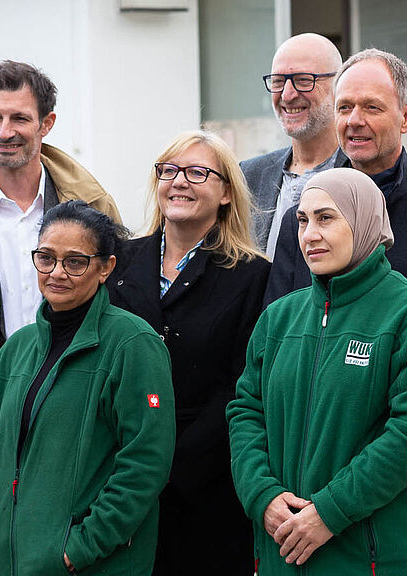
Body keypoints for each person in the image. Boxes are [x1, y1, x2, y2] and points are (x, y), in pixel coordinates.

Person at [265, 49, 407, 574]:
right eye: (344, 107)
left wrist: (356, 450)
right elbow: (272, 344)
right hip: (299, 472)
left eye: (371, 107)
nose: (354, 121)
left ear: (406, 117)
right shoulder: (303, 215)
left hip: (398, 474)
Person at [228, 167, 407, 575]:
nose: (309, 234)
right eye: (302, 220)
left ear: (364, 219)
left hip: (374, 556)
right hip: (283, 551)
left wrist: (330, 512)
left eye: (326, 218)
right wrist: (261, 495)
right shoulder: (278, 319)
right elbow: (246, 412)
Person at [0, 201, 175, 575]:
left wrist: (80, 548)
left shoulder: (132, 343)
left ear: (105, 267)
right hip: (1, 563)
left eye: (75, 262)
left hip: (85, 564)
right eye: (45, 258)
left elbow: (145, 462)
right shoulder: (18, 348)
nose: (57, 273)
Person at [107, 130, 269, 576]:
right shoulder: (118, 262)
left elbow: (241, 386)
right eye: (169, 171)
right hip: (118, 480)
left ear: (225, 194)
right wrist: (131, 467)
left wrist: (168, 465)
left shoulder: (252, 276)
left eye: (198, 173)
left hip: (206, 487)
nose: (179, 182)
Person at [0, 60, 122, 366]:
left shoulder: (96, 207)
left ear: (47, 123)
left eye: (19, 118)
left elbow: (121, 305)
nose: (4, 132)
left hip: (77, 392)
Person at [241, 33, 345, 257]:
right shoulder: (249, 176)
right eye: (278, 81)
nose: (287, 95)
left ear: (339, 84)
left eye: (303, 80)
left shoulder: (366, 173)